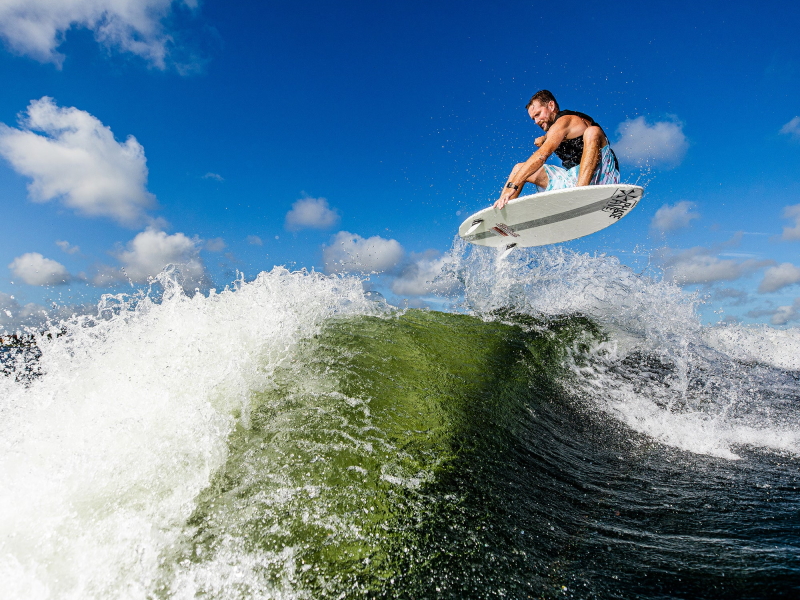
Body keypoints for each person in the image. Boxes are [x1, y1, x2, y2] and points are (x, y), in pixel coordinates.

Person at [494, 90, 619, 210]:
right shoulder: (554, 132)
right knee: (518, 169)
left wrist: (513, 185)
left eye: (538, 114)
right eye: (533, 119)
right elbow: (555, 134)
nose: (536, 121)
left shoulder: (566, 120)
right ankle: (501, 210)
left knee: (593, 132)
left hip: (602, 174)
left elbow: (542, 154)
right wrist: (544, 138)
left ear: (551, 105)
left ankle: (579, 193)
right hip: (573, 179)